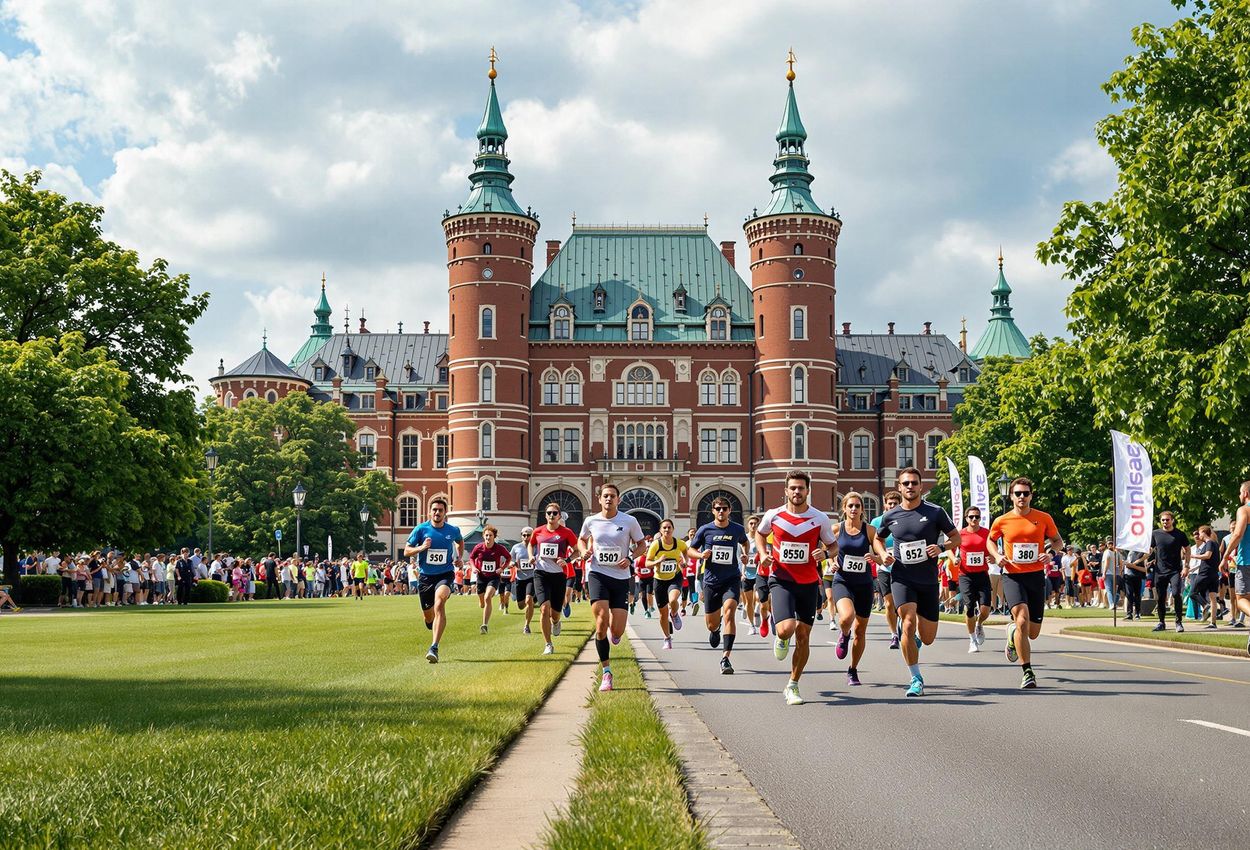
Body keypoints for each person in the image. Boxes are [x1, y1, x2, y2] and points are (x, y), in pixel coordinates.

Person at [873, 467, 960, 697]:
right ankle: (916, 678)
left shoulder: (935, 512)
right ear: (899, 487)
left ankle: (911, 636)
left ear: (921, 486)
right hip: (902, 577)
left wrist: (941, 547)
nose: (910, 487)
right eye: (906, 483)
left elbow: (956, 537)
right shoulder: (890, 516)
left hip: (928, 580)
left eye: (914, 483)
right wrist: (882, 554)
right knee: (909, 623)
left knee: (928, 638)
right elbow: (877, 539)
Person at [755, 470, 836, 706]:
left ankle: (793, 684)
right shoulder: (774, 515)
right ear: (786, 491)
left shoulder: (819, 518)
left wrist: (826, 553)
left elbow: (833, 546)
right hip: (781, 579)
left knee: (803, 635)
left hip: (809, 582)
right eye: (793, 488)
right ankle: (780, 636)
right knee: (786, 629)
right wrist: (762, 554)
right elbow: (760, 535)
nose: (797, 492)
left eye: (801, 488)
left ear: (808, 491)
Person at [986, 477, 1064, 689]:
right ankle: (1027, 671)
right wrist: (997, 555)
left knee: (1032, 632)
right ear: (1011, 496)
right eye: (1018, 493)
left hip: (1036, 575)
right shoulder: (1002, 520)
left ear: (1031, 495)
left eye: (1026, 493)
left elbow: (1058, 540)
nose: (1022, 497)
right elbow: (990, 540)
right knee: (1021, 619)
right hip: (1012, 575)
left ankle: (1012, 634)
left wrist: (1051, 552)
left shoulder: (1043, 517)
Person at [579, 483, 646, 692]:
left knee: (616, 630)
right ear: (599, 499)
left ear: (619, 500)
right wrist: (584, 552)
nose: (608, 499)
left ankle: (614, 634)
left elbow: (642, 545)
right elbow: (581, 540)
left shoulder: (629, 521)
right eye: (605, 496)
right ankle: (606, 672)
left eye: (612, 496)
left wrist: (630, 557)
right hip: (598, 574)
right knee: (601, 622)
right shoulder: (591, 521)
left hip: (621, 578)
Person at [687, 497, 751, 674]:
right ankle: (715, 630)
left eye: (724, 508)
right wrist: (701, 556)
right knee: (711, 624)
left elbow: (745, 541)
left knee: (730, 611)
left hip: (731, 579)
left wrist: (745, 554)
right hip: (711, 581)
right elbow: (690, 550)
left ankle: (725, 658)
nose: (721, 511)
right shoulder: (705, 530)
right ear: (713, 511)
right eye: (718, 508)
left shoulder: (737, 529)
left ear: (730, 510)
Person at [827, 492, 880, 686]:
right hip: (843, 581)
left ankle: (853, 669)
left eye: (857, 506)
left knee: (861, 630)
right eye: (850, 506)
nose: (854, 509)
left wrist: (874, 558)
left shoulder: (870, 531)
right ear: (844, 509)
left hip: (864, 584)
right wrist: (831, 561)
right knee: (847, 617)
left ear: (862, 509)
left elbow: (880, 556)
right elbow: (828, 548)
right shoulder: (835, 529)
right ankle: (844, 633)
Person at [404, 497, 464, 663]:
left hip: (445, 575)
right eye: (435, 510)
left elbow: (460, 541)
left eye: (440, 510)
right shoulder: (421, 530)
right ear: (429, 512)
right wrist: (421, 547)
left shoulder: (452, 530)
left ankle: (434, 647)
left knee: (440, 603)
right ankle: (431, 622)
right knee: (429, 617)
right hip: (425, 577)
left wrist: (459, 557)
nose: (437, 513)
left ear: (445, 513)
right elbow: (406, 551)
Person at [530, 503, 579, 655]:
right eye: (549, 513)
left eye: (554, 513)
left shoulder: (566, 532)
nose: (551, 515)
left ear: (559, 516)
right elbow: (531, 545)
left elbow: (577, 550)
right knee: (544, 608)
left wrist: (567, 560)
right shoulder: (538, 531)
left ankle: (556, 622)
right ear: (545, 515)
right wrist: (531, 556)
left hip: (558, 575)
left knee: (555, 613)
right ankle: (548, 644)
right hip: (541, 573)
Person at [647, 519, 688, 650]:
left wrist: (684, 561)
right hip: (659, 581)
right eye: (664, 528)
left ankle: (675, 614)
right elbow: (647, 563)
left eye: (669, 527)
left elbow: (686, 550)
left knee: (673, 599)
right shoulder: (656, 545)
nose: (667, 530)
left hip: (674, 577)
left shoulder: (679, 543)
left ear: (673, 529)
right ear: (660, 530)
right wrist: (657, 561)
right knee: (663, 614)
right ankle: (667, 638)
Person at [870, 490, 902, 647]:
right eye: (890, 503)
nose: (892, 506)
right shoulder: (877, 522)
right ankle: (894, 634)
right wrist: (880, 556)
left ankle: (904, 625)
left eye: (895, 504)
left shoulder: (904, 518)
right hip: (884, 568)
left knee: (902, 604)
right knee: (889, 603)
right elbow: (873, 542)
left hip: (903, 567)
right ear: (885, 505)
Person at [1149, 511, 1190, 633]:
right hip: (1160, 571)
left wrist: (1186, 566)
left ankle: (1179, 622)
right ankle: (1161, 622)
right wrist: (1142, 559)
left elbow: (1187, 550)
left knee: (1177, 593)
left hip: (1175, 571)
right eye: (1163, 520)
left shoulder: (1179, 534)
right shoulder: (1155, 534)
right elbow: (1149, 550)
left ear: (1172, 520)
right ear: (1160, 521)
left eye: (1167, 520)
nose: (1165, 522)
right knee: (1161, 598)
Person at [959, 507, 992, 653]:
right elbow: (950, 548)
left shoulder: (986, 533)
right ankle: (972, 639)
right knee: (969, 608)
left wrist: (993, 558)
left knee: (985, 610)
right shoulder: (960, 534)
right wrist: (954, 558)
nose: (974, 519)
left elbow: (994, 551)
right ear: (966, 518)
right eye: (971, 517)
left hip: (982, 574)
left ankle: (979, 624)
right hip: (965, 575)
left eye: (977, 517)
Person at [1223, 481, 1250, 653]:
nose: (1239, 496)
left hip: (1246, 562)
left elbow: (1238, 533)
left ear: (1246, 493)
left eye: (1240, 492)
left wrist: (1225, 556)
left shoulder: (1244, 510)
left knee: (1240, 600)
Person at [469, 525, 511, 634]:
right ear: (483, 536)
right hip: (481, 576)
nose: (488, 537)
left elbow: (508, 557)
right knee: (482, 601)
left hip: (494, 577)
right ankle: (481, 600)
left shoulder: (499, 548)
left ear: (494, 537)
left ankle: (484, 625)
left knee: (488, 597)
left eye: (490, 535)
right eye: (486, 535)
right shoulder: (479, 547)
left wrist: (502, 568)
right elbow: (471, 557)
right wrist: (473, 567)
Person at [1190, 526, 1221, 629]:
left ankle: (1205, 605)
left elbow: (1207, 556)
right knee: (1213, 598)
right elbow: (1209, 560)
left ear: (1204, 532)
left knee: (1192, 593)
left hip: (1205, 573)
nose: (1199, 535)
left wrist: (1193, 556)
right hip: (1213, 574)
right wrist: (1191, 570)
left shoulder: (1209, 543)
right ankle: (1213, 622)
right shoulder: (1215, 544)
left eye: (1199, 533)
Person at [511, 527, 537, 634]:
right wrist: (512, 564)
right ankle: (533, 600)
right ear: (521, 535)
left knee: (528, 600)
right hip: (520, 578)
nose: (526, 537)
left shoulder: (536, 547)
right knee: (521, 605)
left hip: (532, 577)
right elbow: (510, 559)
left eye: (528, 535)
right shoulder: (516, 547)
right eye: (524, 535)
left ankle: (527, 625)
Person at [741, 514, 760, 635]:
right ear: (748, 525)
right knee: (749, 602)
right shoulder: (743, 540)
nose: (753, 526)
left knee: (758, 598)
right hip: (746, 573)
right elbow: (739, 558)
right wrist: (741, 573)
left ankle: (757, 611)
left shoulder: (761, 539)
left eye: (755, 524)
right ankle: (752, 625)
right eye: (751, 524)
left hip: (759, 573)